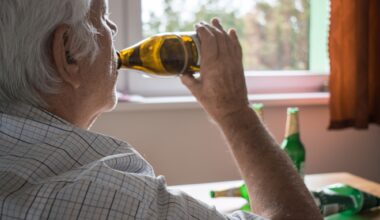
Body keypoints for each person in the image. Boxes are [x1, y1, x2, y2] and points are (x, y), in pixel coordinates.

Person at [0, 0, 322, 219]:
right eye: (102, 16)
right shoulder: (105, 197)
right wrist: (235, 113)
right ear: (69, 53)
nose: (113, 30)